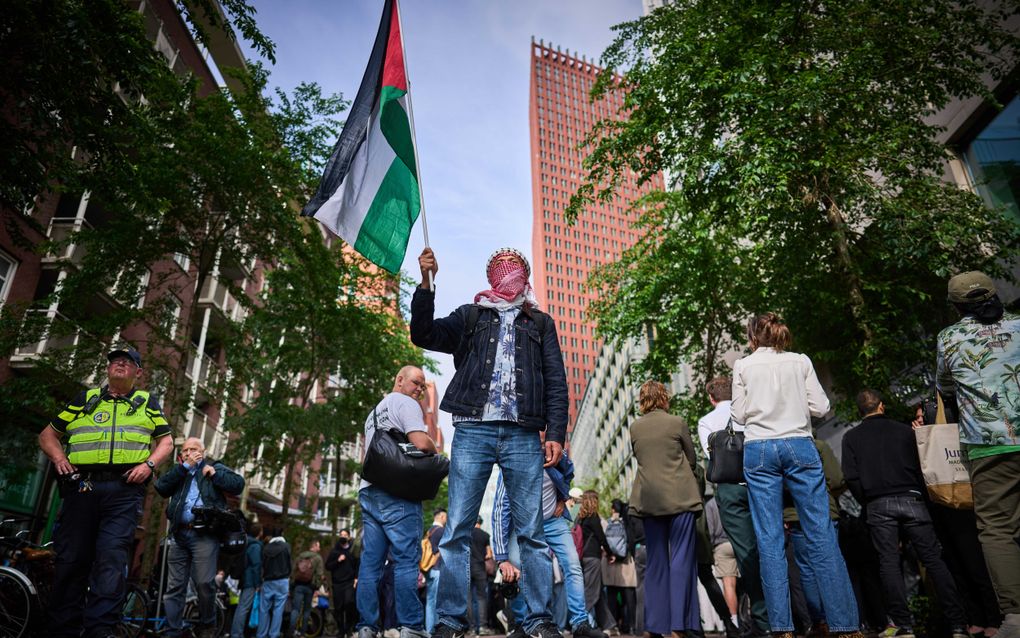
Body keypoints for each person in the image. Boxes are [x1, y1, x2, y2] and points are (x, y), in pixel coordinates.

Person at [410, 247, 568, 638]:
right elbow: (424, 333)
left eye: (514, 268)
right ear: (490, 275)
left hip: (523, 432)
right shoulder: (471, 315)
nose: (507, 273)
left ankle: (538, 619)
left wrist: (557, 434)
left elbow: (556, 383)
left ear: (526, 275)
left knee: (531, 531)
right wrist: (427, 283)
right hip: (472, 429)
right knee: (458, 528)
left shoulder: (541, 323)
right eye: (500, 268)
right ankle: (449, 620)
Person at [731, 312, 859, 638]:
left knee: (770, 539)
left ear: (752, 337)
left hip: (759, 449)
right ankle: (845, 625)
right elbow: (821, 406)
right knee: (821, 534)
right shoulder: (800, 361)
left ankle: (782, 628)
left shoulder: (743, 366)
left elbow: (739, 415)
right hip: (800, 444)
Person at [39, 347, 174, 638]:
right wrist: (60, 459)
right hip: (81, 487)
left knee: (111, 558)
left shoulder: (146, 402)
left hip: (124, 490)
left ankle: (100, 630)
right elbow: (48, 435)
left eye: (127, 361)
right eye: (115, 360)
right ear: (108, 369)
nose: (119, 363)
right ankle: (62, 629)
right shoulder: (86, 399)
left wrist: (149, 464)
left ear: (138, 373)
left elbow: (166, 441)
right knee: (71, 558)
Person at [842, 389, 969, 638]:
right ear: (882, 406)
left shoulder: (851, 438)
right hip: (912, 497)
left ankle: (903, 625)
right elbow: (924, 467)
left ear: (860, 411)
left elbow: (851, 477)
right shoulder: (903, 431)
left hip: (878, 503)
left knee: (888, 563)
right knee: (933, 559)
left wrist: (867, 502)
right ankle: (958, 623)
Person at [936, 271, 1020, 638]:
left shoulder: (950, 338)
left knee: (998, 530)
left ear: (956, 307)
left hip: (989, 444)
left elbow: (945, 386)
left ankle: (1016, 617)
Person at [356, 365, 439, 638]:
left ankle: (367, 627)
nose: (420, 389)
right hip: (397, 493)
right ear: (400, 380)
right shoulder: (405, 403)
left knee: (371, 564)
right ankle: (411, 627)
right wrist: (433, 447)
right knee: (405, 560)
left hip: (369, 490)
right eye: (416, 382)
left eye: (423, 386)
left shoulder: (374, 413)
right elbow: (420, 442)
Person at [491, 459, 606, 638]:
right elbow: (501, 508)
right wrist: (501, 555)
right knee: (518, 567)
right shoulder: (513, 457)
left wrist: (563, 497)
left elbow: (568, 472)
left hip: (553, 520)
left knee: (573, 564)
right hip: (523, 524)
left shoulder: (555, 452)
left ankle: (580, 623)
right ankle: (524, 624)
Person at [628, 380, 702, 636]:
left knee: (657, 562)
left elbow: (640, 458)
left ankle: (656, 625)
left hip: (650, 501)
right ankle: (679, 626)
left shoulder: (635, 428)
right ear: (664, 397)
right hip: (681, 497)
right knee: (682, 560)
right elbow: (691, 459)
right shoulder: (676, 422)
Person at [697, 375, 769, 637]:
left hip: (729, 488)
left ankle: (762, 620)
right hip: (759, 482)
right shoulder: (749, 410)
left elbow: (710, 455)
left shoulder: (706, 421)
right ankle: (783, 615)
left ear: (711, 397)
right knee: (770, 548)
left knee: (746, 554)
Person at [156, 436, 246, 637]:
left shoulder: (214, 467)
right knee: (174, 588)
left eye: (193, 449)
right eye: (185, 450)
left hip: (204, 535)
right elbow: (161, 487)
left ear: (202, 453)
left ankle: (207, 624)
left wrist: (214, 475)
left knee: (205, 583)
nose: (188, 453)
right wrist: (183, 468)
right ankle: (172, 630)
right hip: (179, 534)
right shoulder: (180, 472)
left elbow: (238, 484)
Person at [577, 490, 619, 634]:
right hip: (593, 558)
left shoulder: (580, 518)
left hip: (582, 557)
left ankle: (609, 625)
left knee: (598, 591)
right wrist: (610, 553)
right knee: (591, 593)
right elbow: (601, 538)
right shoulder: (593, 517)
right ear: (594, 501)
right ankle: (581, 623)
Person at [704, 497, 741, 637]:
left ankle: (733, 623)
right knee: (742, 586)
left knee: (729, 585)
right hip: (738, 543)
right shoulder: (734, 500)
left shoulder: (711, 504)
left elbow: (710, 530)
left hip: (722, 546)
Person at [603, 500, 637, 635]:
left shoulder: (608, 523)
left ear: (612, 509)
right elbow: (631, 540)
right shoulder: (626, 522)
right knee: (629, 597)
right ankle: (632, 626)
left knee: (611, 596)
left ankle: (613, 625)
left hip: (611, 563)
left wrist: (612, 555)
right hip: (626, 563)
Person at [230, 521, 263, 638]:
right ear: (260, 533)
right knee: (243, 608)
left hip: (244, 578)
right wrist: (257, 583)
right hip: (250, 581)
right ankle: (236, 633)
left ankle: (236, 632)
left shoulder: (246, 543)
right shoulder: (255, 546)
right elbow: (256, 566)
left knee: (241, 607)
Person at [327, 529, 361, 638]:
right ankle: (341, 630)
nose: (343, 537)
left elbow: (357, 565)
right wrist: (338, 560)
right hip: (337, 583)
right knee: (338, 608)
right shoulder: (334, 552)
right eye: (341, 535)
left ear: (349, 537)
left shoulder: (352, 551)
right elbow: (328, 566)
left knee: (349, 603)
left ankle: (348, 628)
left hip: (349, 582)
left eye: (345, 535)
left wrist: (356, 578)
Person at [258, 528, 292, 638]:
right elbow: (289, 563)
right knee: (278, 610)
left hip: (268, 580)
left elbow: (262, 565)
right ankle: (274, 634)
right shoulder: (286, 546)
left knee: (264, 609)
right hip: (282, 581)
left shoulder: (266, 548)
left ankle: (261, 634)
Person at [292, 539, 326, 634]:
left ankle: (291, 631)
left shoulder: (301, 556)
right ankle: (302, 633)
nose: (319, 548)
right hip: (310, 587)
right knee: (307, 610)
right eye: (318, 546)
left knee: (295, 609)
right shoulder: (318, 558)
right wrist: (317, 587)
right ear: (314, 546)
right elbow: (319, 574)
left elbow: (294, 570)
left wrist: (292, 584)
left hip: (298, 585)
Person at [468, 518, 494, 634]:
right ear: (481, 523)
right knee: (481, 597)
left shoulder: (467, 534)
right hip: (480, 568)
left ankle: (471, 628)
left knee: (468, 598)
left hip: (467, 568)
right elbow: (489, 554)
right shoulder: (485, 535)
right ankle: (483, 627)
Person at [423, 510, 447, 633]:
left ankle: (429, 629)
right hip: (437, 568)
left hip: (428, 569)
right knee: (438, 601)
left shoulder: (429, 531)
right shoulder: (442, 531)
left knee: (430, 601)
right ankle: (436, 630)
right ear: (442, 516)